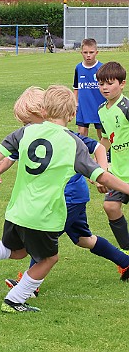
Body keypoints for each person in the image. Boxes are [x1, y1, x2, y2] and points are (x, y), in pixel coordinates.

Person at [0, 85, 129, 313]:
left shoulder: (25, 133)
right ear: (71, 115)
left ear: (45, 110)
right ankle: (15, 300)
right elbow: (102, 176)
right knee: (49, 259)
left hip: (17, 210)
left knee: (19, 251)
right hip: (44, 216)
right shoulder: (72, 143)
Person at [0, 87, 129, 294]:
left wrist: (100, 171)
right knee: (83, 239)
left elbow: (98, 147)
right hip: (74, 198)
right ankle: (125, 261)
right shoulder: (35, 136)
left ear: (44, 113)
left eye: (29, 121)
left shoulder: (67, 136)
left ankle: (28, 285)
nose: (26, 127)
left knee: (42, 236)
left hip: (67, 198)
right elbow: (11, 155)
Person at [96, 61, 129, 266]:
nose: (105, 88)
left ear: (122, 84)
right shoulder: (102, 110)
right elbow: (106, 139)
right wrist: (99, 168)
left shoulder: (126, 107)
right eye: (101, 84)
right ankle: (126, 253)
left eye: (109, 83)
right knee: (110, 206)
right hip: (118, 172)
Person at [73, 38, 106, 140]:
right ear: (81, 53)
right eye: (85, 52)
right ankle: (84, 155)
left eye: (91, 52)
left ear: (96, 52)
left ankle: (104, 155)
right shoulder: (78, 68)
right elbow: (76, 87)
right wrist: (75, 103)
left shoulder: (102, 68)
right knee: (82, 133)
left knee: (102, 134)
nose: (88, 55)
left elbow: (107, 87)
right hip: (83, 106)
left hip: (100, 105)